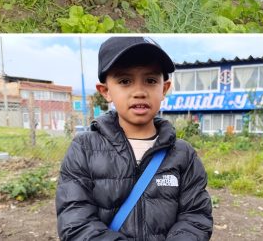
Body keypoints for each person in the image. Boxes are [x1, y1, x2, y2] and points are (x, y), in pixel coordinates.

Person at [56, 37, 213, 241]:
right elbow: (75, 222)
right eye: (125, 81)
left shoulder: (183, 154)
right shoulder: (84, 148)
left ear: (164, 88)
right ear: (105, 91)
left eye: (150, 81)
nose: (139, 92)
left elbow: (196, 217)